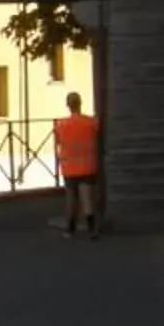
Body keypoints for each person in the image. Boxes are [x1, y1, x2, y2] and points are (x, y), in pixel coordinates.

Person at [53, 92, 102, 237]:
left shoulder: (61, 125)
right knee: (87, 198)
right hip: (88, 165)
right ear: (80, 103)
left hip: (69, 167)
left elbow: (58, 143)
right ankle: (92, 228)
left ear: (68, 106)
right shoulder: (91, 122)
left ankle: (71, 228)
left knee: (71, 198)